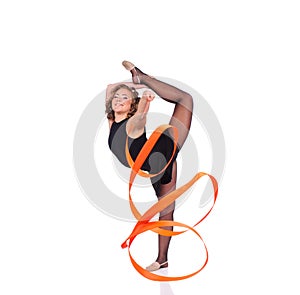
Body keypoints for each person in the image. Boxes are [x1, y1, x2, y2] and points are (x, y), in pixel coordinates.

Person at [105, 61, 193, 272]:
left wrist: (144, 98)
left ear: (131, 106)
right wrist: (136, 86)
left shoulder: (133, 122)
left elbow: (141, 115)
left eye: (124, 98)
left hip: (162, 153)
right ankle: (162, 260)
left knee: (186, 99)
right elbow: (110, 88)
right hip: (155, 159)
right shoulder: (112, 119)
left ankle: (162, 259)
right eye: (117, 98)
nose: (118, 99)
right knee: (186, 100)